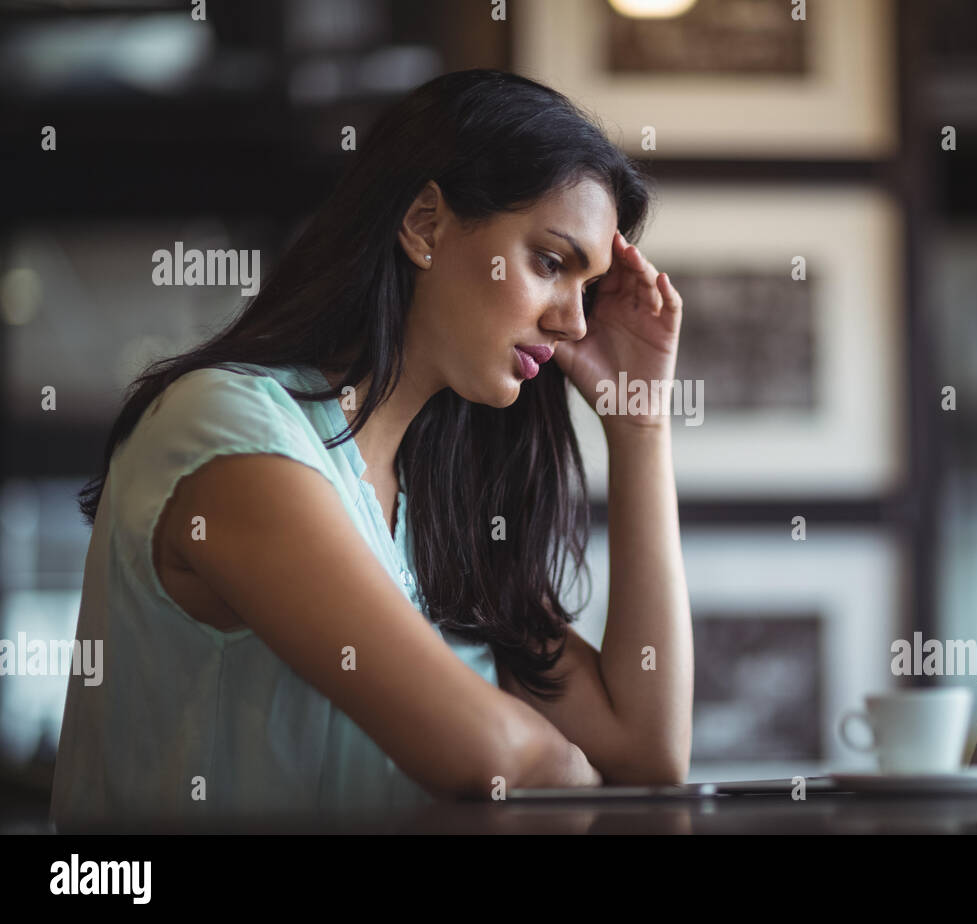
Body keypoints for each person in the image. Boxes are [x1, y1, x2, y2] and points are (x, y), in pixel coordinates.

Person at [49, 68, 692, 827]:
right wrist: (561, 769)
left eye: (587, 289)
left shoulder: (438, 504)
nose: (575, 324)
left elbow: (646, 754)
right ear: (424, 224)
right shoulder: (225, 427)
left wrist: (639, 421)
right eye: (550, 263)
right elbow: (486, 752)